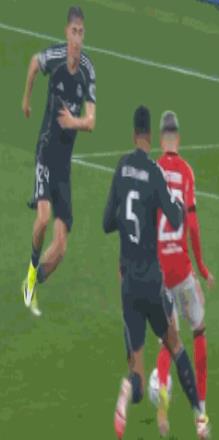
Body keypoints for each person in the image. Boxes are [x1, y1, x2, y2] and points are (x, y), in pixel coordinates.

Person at [103, 106, 209, 440]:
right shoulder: (154, 172)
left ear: (132, 133)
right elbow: (177, 219)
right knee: (176, 345)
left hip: (127, 284)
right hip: (152, 280)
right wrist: (172, 205)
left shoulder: (121, 167)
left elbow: (107, 222)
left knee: (137, 375)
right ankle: (200, 419)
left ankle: (126, 390)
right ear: (150, 136)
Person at [21, 5, 97, 317]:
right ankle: (30, 268)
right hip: (46, 150)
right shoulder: (54, 57)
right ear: (66, 32)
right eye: (73, 32)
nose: (77, 38)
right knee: (42, 219)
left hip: (64, 166)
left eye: (81, 33)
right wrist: (26, 99)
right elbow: (33, 63)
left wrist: (73, 122)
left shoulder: (88, 70)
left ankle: (31, 283)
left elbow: (91, 121)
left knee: (62, 247)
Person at [155, 111, 214, 429]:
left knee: (169, 339)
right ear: (177, 137)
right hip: (182, 270)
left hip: (159, 272)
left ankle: (163, 406)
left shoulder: (152, 170)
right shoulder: (186, 171)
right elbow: (192, 224)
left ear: (160, 138)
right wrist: (201, 268)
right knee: (199, 330)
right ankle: (201, 413)